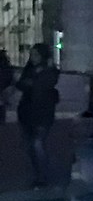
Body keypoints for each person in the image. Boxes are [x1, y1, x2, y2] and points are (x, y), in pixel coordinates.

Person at [15, 42, 57, 189]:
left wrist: (32, 82)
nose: (33, 58)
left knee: (37, 144)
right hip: (27, 112)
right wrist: (31, 82)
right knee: (29, 146)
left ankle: (43, 177)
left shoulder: (49, 70)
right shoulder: (31, 69)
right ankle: (36, 175)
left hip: (43, 113)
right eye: (31, 55)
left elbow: (43, 84)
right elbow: (21, 84)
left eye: (36, 55)